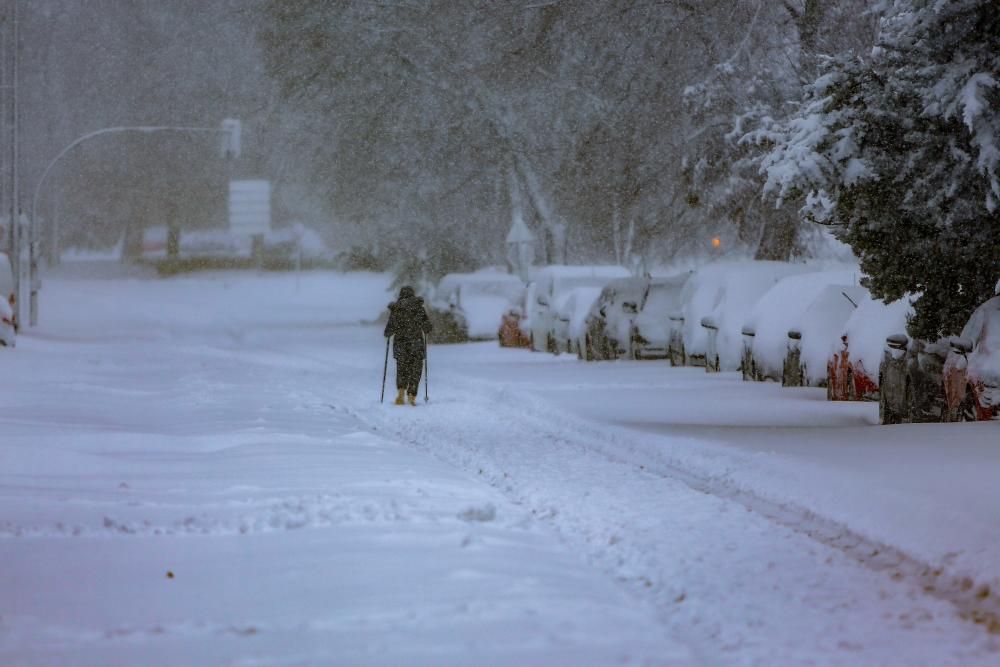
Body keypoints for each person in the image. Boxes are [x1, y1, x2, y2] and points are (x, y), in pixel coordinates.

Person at [384, 286, 433, 405]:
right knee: (415, 370)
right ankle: (412, 395)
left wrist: (391, 332)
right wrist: (423, 328)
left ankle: (400, 394)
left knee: (402, 369)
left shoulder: (396, 309)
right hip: (416, 344)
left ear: (400, 295)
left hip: (401, 344)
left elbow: (388, 331)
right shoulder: (419, 308)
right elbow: (427, 327)